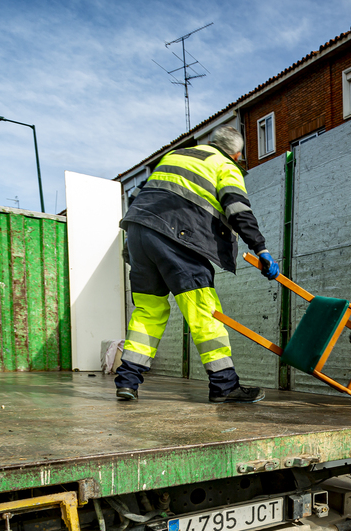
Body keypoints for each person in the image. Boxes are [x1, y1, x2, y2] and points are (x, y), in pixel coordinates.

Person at [114, 125, 278, 404]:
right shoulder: (224, 165)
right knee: (205, 313)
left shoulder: (175, 156)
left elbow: (138, 196)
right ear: (236, 154)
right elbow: (238, 209)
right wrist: (260, 248)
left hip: (138, 236)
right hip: (179, 238)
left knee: (147, 313)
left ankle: (128, 382)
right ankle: (224, 386)